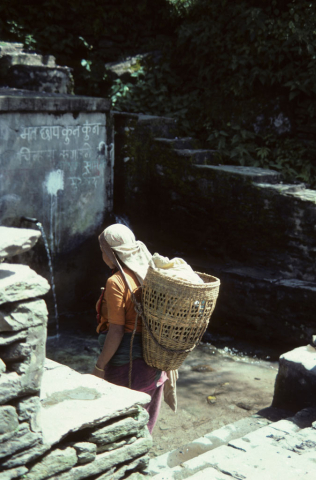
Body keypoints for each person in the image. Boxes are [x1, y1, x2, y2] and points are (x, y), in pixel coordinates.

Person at [92, 223, 168, 433]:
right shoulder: (151, 272)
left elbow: (116, 330)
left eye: (102, 252)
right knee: (145, 420)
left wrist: (99, 367)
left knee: (119, 423)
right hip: (155, 363)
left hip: (128, 368)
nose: (102, 256)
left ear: (111, 253)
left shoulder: (116, 282)